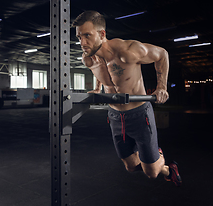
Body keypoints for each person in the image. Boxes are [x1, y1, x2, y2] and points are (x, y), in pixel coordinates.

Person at [72, 10, 182, 186]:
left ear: (102, 34)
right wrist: (97, 88)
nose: (82, 42)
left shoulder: (127, 51)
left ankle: (166, 165)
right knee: (130, 166)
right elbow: (100, 72)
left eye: (87, 35)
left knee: (152, 173)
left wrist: (162, 87)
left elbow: (162, 55)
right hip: (115, 116)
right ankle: (150, 155)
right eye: (79, 37)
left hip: (139, 113)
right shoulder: (88, 59)